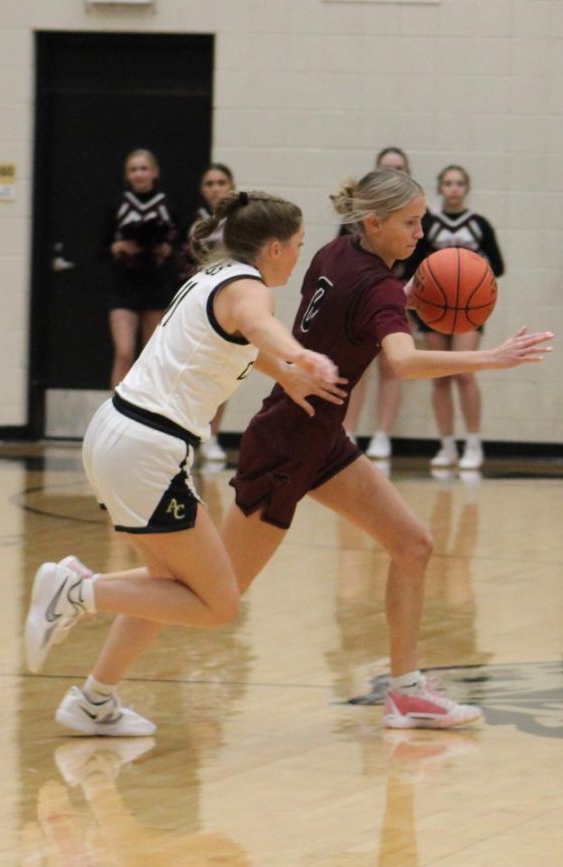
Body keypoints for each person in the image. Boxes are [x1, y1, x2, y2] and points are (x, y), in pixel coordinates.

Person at [222, 167, 551, 730]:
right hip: (288, 443)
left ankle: (405, 690)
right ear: (373, 221)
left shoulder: (331, 253)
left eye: (421, 220)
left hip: (315, 433)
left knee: (413, 544)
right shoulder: (378, 286)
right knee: (216, 592)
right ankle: (87, 596)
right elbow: (402, 360)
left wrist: (406, 303)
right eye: (410, 221)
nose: (421, 233)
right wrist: (488, 358)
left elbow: (341, 324)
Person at [23, 191, 343, 736]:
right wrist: (300, 355)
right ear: (273, 248)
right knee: (217, 604)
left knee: (168, 585)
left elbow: (236, 340)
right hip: (145, 449)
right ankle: (77, 591)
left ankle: (94, 700)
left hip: (120, 434)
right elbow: (257, 325)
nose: (298, 256)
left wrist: (283, 372)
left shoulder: (213, 277)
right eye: (298, 246)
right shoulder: (248, 287)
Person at [413, 164, 505, 471]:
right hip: (433, 305)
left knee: (466, 372)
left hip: (469, 305)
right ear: (440, 189)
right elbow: (414, 263)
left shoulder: (480, 225)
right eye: (448, 183)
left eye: (460, 183)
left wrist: (468, 272)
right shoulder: (427, 224)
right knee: (440, 377)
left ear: (467, 189)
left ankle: (474, 443)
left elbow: (499, 267)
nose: (454, 188)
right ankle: (447, 446)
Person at [341, 146, 415, 459]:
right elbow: (345, 257)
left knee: (393, 365)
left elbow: (425, 260)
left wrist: (404, 291)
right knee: (358, 367)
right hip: (364, 297)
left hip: (399, 293)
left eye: (398, 168)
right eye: (387, 168)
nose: (393, 172)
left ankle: (383, 435)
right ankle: (348, 432)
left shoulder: (415, 216)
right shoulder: (356, 222)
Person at [105, 148, 180, 389]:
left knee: (152, 357)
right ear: (127, 175)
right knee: (125, 352)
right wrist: (118, 247)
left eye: (144, 168)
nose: (139, 174)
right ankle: (114, 412)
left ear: (155, 172)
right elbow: (99, 248)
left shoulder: (168, 205)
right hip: (124, 285)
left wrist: (165, 250)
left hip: (157, 284)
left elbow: (181, 246)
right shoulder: (117, 205)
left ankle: (145, 412)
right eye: (133, 169)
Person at [180, 162, 237, 465]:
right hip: (200, 302)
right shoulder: (195, 223)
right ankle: (189, 434)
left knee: (225, 371)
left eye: (221, 182)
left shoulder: (242, 224)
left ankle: (213, 436)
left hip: (230, 303)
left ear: (231, 186)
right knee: (195, 370)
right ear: (203, 190)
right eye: (210, 183)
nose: (216, 188)